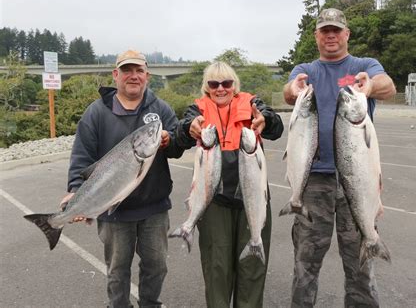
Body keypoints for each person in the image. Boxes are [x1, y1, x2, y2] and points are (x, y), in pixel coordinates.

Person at [283, 8, 396, 308]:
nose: (330, 35)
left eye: (336, 30)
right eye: (324, 30)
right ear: (316, 36)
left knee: (360, 267)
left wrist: (370, 86)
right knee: (305, 263)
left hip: (356, 183)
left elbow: (388, 86)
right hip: (313, 181)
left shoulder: (364, 65)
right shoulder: (306, 69)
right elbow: (289, 91)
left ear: (346, 34)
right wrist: (293, 90)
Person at [60, 49, 184, 308]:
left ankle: (150, 304)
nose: (133, 76)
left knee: (157, 267)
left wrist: (171, 140)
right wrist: (76, 190)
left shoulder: (160, 108)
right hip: (112, 210)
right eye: (127, 70)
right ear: (116, 74)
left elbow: (177, 145)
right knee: (117, 271)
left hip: (154, 208)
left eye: (139, 71)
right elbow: (81, 158)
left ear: (147, 76)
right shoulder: (95, 113)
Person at [175, 61, 284, 308]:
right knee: (217, 267)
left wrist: (265, 119)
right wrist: (187, 128)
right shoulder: (198, 109)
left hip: (253, 200)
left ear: (234, 86)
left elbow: (276, 127)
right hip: (215, 202)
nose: (221, 88)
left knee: (252, 268)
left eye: (227, 83)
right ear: (207, 87)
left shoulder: (252, 103)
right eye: (214, 84)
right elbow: (181, 133)